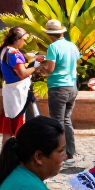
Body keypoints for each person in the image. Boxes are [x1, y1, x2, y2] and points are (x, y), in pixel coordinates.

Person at [39, 19, 81, 165]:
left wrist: (40, 67)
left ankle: (60, 154)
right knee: (66, 120)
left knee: (57, 121)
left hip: (58, 87)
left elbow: (50, 69)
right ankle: (70, 152)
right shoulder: (71, 45)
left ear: (51, 35)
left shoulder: (53, 47)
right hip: (71, 86)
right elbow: (77, 60)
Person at [0, 26, 42, 143]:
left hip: (10, 91)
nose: (24, 41)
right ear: (17, 39)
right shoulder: (13, 54)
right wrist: (36, 66)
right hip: (17, 92)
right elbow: (22, 73)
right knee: (17, 126)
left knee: (8, 128)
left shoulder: (4, 49)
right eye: (23, 39)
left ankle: (5, 156)